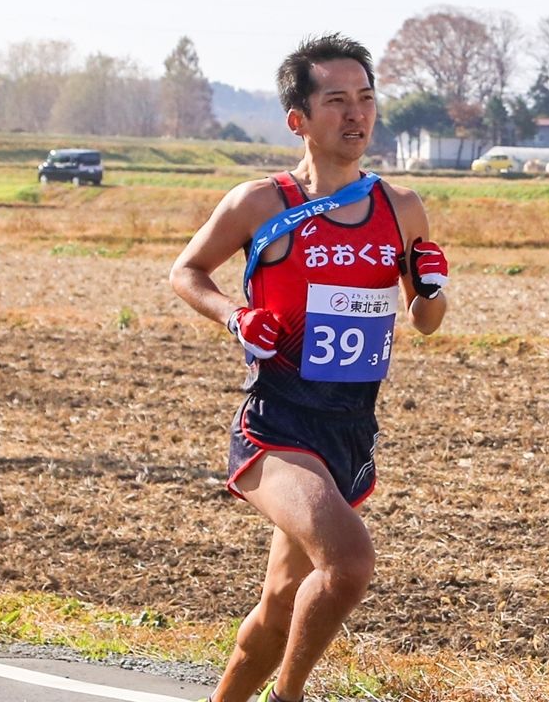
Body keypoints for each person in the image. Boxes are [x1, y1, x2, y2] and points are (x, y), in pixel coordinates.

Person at [170, 34, 449, 702]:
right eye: (336, 101)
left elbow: (425, 322)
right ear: (299, 119)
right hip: (278, 424)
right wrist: (235, 316)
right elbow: (187, 271)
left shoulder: (400, 208)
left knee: (280, 602)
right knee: (349, 565)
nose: (355, 115)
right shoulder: (261, 203)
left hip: (350, 428)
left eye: (366, 98)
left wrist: (434, 290)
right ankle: (287, 698)